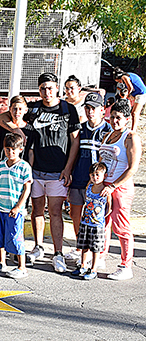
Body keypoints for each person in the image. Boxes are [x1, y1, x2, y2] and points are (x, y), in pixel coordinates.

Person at [0, 72, 80, 272]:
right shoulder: (33, 107)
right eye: (42, 88)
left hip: (57, 171)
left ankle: (58, 253)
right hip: (34, 171)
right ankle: (38, 247)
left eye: (50, 88)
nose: (46, 92)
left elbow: (75, 140)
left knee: (55, 212)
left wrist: (68, 168)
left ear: (57, 89)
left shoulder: (68, 109)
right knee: (36, 211)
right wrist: (16, 130)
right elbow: (2, 116)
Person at [99, 98, 142, 280]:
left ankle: (126, 265)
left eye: (118, 118)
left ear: (126, 119)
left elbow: (133, 168)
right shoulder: (107, 135)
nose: (114, 121)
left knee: (121, 227)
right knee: (103, 224)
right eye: (112, 117)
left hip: (121, 188)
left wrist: (114, 186)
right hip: (104, 186)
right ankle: (100, 256)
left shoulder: (131, 137)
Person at [67, 92, 110, 265]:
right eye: (87, 108)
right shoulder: (81, 129)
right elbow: (74, 152)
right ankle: (81, 247)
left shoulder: (108, 130)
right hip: (79, 177)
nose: (90, 111)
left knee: (98, 217)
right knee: (75, 213)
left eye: (94, 108)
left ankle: (97, 254)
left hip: (98, 184)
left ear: (102, 109)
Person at [0, 133, 33, 279]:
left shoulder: (24, 167)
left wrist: (18, 206)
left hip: (15, 210)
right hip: (0, 207)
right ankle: (2, 262)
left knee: (15, 236)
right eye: (8, 149)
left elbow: (27, 189)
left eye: (14, 149)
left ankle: (22, 267)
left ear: (20, 149)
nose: (10, 152)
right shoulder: (1, 165)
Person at [71, 162, 110, 281]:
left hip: (97, 224)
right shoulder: (89, 187)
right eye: (93, 175)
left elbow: (109, 207)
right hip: (86, 222)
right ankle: (83, 265)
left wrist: (102, 218)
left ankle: (93, 269)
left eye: (98, 174)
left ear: (104, 175)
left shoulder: (105, 191)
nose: (95, 177)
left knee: (95, 248)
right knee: (84, 245)